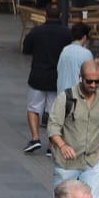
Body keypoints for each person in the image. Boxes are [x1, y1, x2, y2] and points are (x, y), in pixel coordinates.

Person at [44, 60, 99, 198]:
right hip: (67, 164)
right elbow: (53, 126)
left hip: (92, 161)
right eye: (89, 81)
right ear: (80, 78)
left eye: (97, 81)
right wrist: (62, 145)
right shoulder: (66, 97)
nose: (93, 85)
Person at [21, 13, 74, 154]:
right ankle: (51, 145)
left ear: (45, 15)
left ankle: (35, 138)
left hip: (38, 76)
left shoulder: (37, 31)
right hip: (57, 78)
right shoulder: (67, 33)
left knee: (33, 109)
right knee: (54, 112)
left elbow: (25, 49)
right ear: (60, 15)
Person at [55, 21, 93, 97]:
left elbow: (59, 69)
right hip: (77, 95)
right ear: (84, 37)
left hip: (62, 93)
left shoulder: (65, 50)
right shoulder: (86, 53)